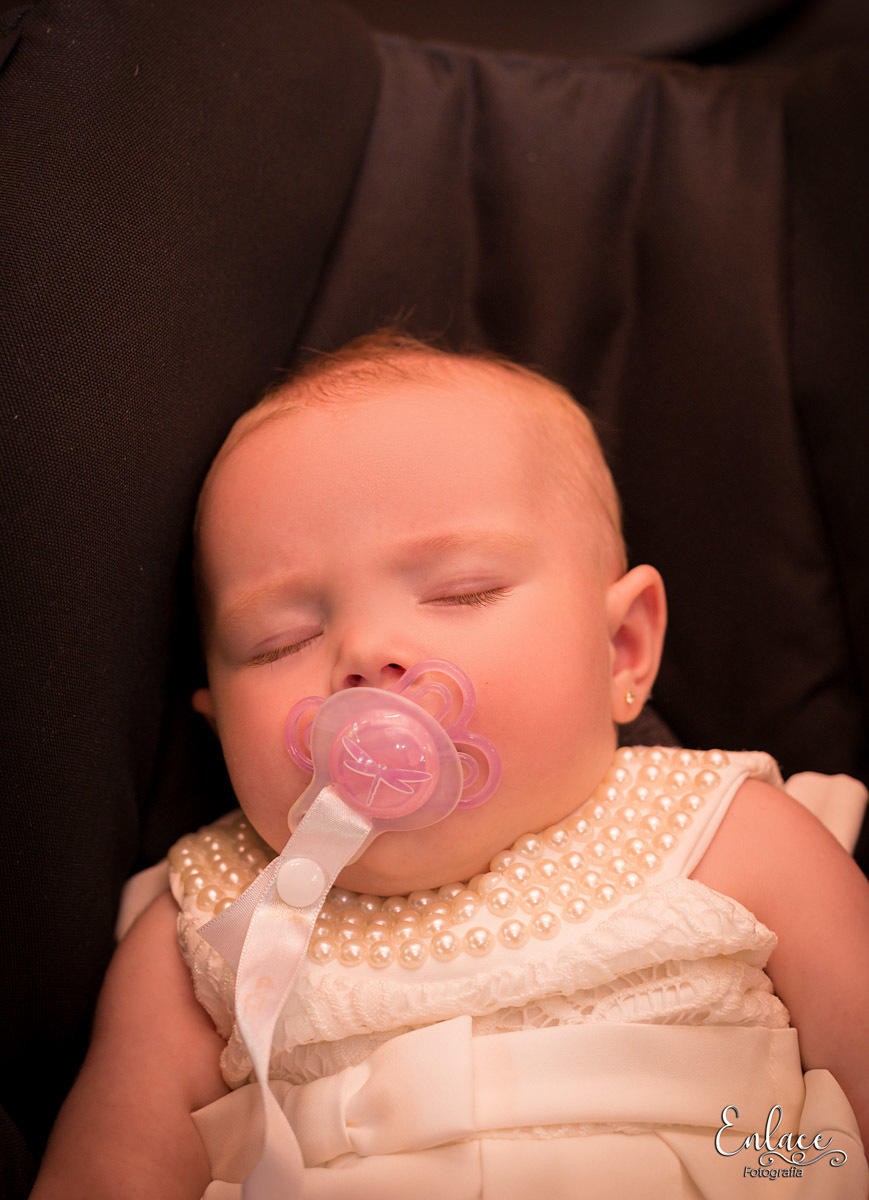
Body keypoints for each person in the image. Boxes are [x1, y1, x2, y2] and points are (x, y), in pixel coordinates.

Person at [31, 333, 869, 1198]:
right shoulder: (205, 921)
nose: (365, 652)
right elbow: (109, 1171)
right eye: (281, 639)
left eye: (460, 592)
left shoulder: (733, 830)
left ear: (620, 649)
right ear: (216, 726)